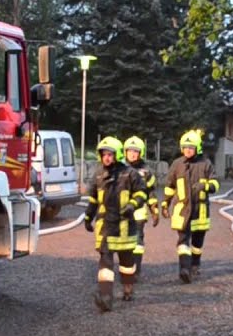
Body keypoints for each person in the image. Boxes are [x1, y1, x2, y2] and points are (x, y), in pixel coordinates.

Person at [83, 136, 148, 311]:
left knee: (127, 263)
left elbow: (142, 194)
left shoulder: (130, 174)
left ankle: (128, 289)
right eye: (104, 154)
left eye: (110, 154)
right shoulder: (98, 175)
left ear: (118, 154)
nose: (106, 158)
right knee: (105, 262)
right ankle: (106, 297)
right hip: (105, 227)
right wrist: (88, 217)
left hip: (126, 227)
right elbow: (93, 200)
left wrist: (132, 205)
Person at [160, 129, 220, 283]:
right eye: (185, 147)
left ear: (197, 148)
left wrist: (205, 185)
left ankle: (195, 264)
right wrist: (165, 203)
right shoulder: (177, 164)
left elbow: (215, 184)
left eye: (191, 147)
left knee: (197, 242)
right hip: (182, 209)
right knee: (182, 240)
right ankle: (184, 269)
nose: (187, 149)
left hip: (200, 210)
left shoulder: (205, 164)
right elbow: (169, 186)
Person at [122, 135, 159, 276]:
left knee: (137, 241)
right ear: (125, 152)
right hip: (122, 212)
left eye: (135, 151)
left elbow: (151, 193)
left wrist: (154, 211)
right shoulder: (119, 168)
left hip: (138, 212)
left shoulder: (146, 173)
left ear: (141, 153)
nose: (132, 154)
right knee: (122, 242)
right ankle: (125, 268)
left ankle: (135, 269)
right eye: (130, 150)